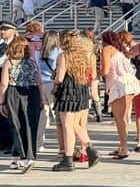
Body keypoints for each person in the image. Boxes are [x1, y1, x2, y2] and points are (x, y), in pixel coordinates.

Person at [51, 31, 100, 172]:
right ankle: (90, 150)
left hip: (67, 91)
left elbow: (60, 77)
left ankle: (68, 159)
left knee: (67, 126)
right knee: (76, 125)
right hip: (81, 90)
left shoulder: (64, 56)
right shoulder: (85, 56)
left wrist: (54, 84)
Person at [0, 35, 45, 172]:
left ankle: (24, 158)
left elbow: (3, 84)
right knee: (31, 125)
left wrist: (1, 103)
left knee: (17, 126)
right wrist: (42, 99)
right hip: (32, 93)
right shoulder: (31, 61)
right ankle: (21, 158)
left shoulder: (9, 62)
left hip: (14, 93)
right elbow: (40, 82)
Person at [101, 31, 140, 159]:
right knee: (123, 117)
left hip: (119, 84)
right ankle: (122, 146)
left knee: (119, 118)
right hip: (129, 82)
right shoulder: (120, 51)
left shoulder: (107, 49)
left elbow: (105, 70)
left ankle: (124, 148)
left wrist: (96, 70)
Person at [37, 29, 61, 155]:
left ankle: (39, 143)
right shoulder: (57, 52)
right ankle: (62, 144)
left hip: (41, 83)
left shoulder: (39, 53)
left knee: (42, 114)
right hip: (53, 83)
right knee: (58, 115)